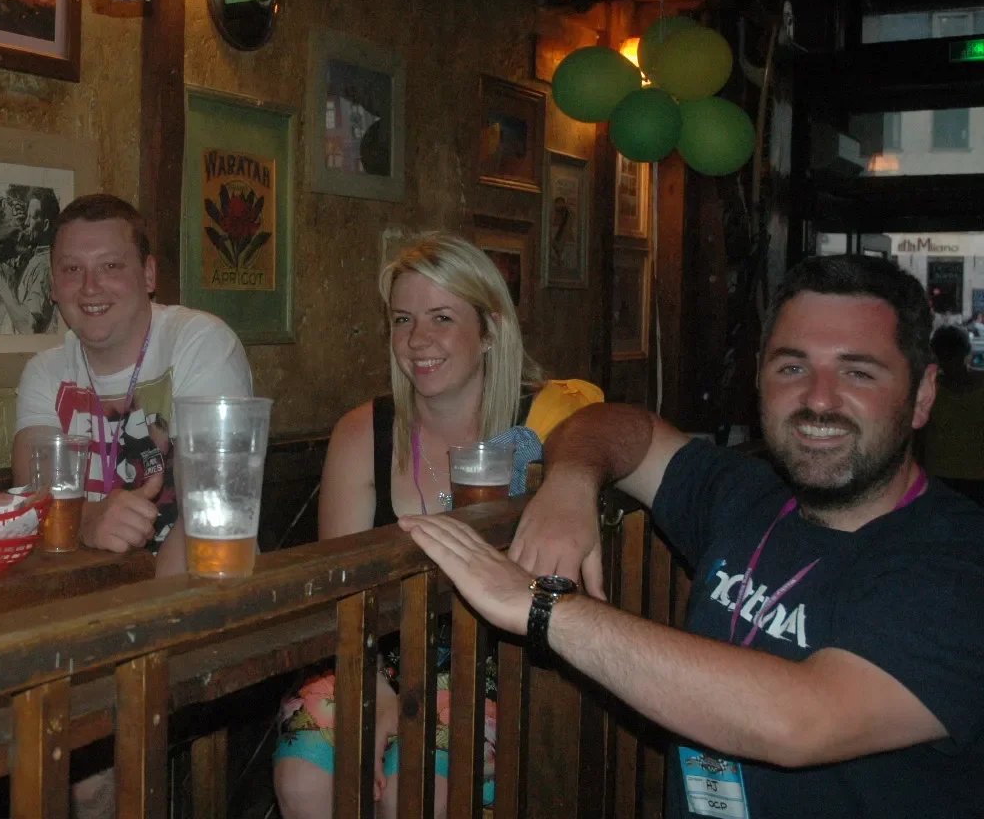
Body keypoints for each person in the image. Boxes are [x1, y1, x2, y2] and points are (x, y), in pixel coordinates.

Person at [402, 253, 984, 819]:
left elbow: (802, 720)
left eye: (857, 371)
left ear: (923, 395)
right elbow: (618, 425)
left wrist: (543, 607)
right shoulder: (746, 495)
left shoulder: (957, 559)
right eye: (792, 366)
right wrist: (572, 482)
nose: (819, 398)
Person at [273, 234, 600, 819]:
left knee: (416, 786)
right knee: (303, 775)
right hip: (375, 651)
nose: (418, 340)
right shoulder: (363, 432)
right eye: (403, 320)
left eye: (442, 318)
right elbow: (340, 592)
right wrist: (371, 684)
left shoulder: (548, 428)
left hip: (502, 661)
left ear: (491, 330)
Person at [12, 193, 253, 571]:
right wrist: (87, 520)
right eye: (72, 269)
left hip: (197, 592)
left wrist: (149, 623)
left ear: (149, 274)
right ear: (53, 286)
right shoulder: (45, 373)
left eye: (110, 266)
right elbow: (35, 506)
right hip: (83, 603)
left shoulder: (199, 342)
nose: (90, 287)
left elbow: (210, 514)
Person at [916, 324, 984, 503]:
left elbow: (919, 437)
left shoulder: (929, 389)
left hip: (938, 474)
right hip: (971, 475)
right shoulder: (930, 388)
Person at [0, 186, 59, 335]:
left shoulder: (44, 268)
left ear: (45, 225)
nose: (26, 223)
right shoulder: (36, 256)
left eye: (31, 217)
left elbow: (29, 328)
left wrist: (1, 286)